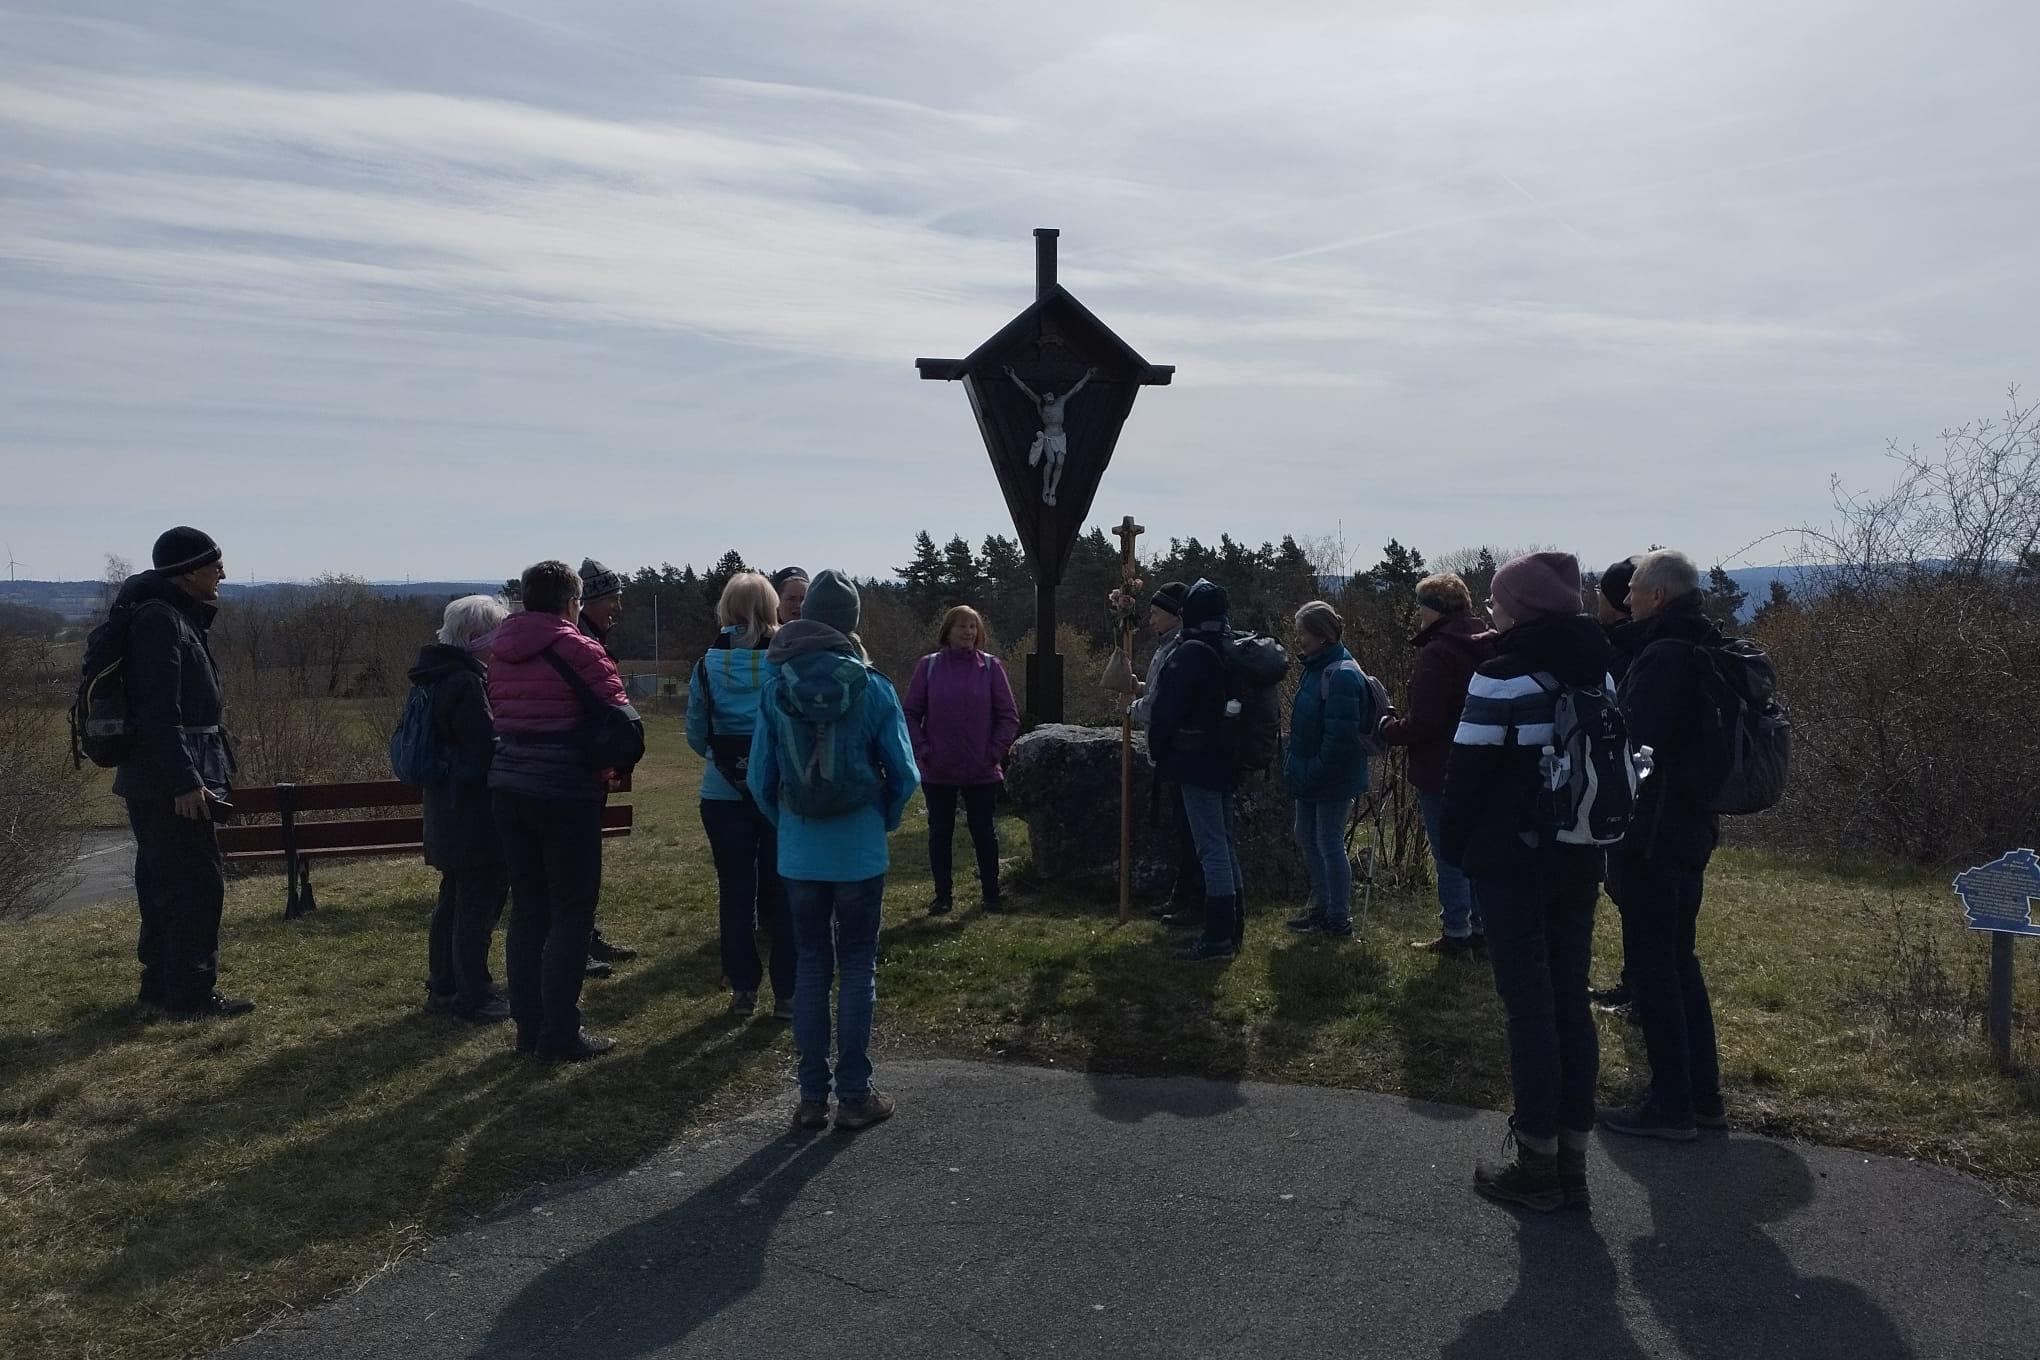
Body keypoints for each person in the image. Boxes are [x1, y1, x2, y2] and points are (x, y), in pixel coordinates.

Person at [1440, 551, 1614, 1211]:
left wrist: (1457, 850)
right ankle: (1573, 1162)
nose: (1492, 608)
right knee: (1570, 1000)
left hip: (1513, 861)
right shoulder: (1600, 669)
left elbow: (1467, 775)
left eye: (1498, 599)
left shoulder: (1502, 676)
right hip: (1581, 853)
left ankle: (1536, 1165)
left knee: (1529, 1009)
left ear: (1521, 607)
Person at [748, 571, 919, 1132]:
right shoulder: (873, 687)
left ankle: (810, 1098)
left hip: (800, 851)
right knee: (857, 964)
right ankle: (854, 1095)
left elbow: (759, 778)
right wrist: (882, 820)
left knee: (811, 966)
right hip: (859, 849)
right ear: (851, 623)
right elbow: (905, 774)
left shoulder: (776, 685)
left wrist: (789, 826)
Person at [489, 560, 642, 1061]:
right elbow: (622, 717)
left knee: (528, 909)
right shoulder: (580, 648)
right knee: (572, 911)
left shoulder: (500, 649)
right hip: (566, 789)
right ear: (571, 602)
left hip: (509, 785)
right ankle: (559, 1031)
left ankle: (529, 1028)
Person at [1600, 549, 1728, 1141]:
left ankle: (1671, 1105)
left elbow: (1632, 738)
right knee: (1680, 962)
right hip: (1691, 828)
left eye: (1633, 590)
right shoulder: (1704, 643)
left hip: (1653, 833)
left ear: (1656, 596)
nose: (1625, 599)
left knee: (1654, 970)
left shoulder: (1663, 656)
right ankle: (1704, 1098)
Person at [115, 527, 250, 1018]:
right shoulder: (160, 621)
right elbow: (159, 714)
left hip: (160, 776)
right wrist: (186, 782)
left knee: (164, 884)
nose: (222, 573)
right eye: (215, 565)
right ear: (189, 572)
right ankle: (189, 995)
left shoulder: (168, 616)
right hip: (170, 781)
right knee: (195, 884)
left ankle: (159, 990)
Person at [686, 571, 796, 1020]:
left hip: (721, 791)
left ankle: (743, 990)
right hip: (778, 789)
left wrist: (724, 760)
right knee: (784, 889)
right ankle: (788, 993)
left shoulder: (705, 664)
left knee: (735, 892)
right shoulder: (785, 663)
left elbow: (695, 732)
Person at [1377, 572, 1496, 957]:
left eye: (1421, 607)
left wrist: (1389, 728)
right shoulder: (1489, 642)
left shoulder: (1438, 652)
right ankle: (1480, 928)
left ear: (1434, 609)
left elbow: (1426, 722)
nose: (1418, 614)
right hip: (1483, 763)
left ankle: (1456, 932)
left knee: (1448, 854)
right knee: (1475, 850)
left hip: (1440, 766)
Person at [411, 594, 512, 1023]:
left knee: (453, 900)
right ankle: (474, 995)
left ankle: (444, 986)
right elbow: (486, 747)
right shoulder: (467, 683)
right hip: (473, 814)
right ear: (477, 638)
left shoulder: (432, 675)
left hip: (444, 808)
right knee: (477, 905)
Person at [1148, 579, 1246, 961]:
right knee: (1224, 842)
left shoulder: (1189, 653)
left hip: (1196, 760)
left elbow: (1166, 710)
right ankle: (1234, 928)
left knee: (1211, 847)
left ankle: (1218, 937)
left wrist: (1160, 750)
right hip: (1227, 757)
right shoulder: (1230, 648)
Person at [904, 605, 1020, 915]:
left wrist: (993, 753)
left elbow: (1008, 716)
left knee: (984, 832)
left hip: (981, 770)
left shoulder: (992, 667)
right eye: (961, 626)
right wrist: (924, 751)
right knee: (940, 833)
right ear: (948, 631)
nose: (968, 632)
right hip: (938, 769)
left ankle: (992, 895)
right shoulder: (928, 667)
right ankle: (942, 897)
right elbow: (910, 713)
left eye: (972, 626)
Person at [1282, 601, 1370, 939]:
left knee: (1328, 841)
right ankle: (1321, 907)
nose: (1298, 639)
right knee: (1306, 835)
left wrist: (1315, 768)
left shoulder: (1341, 675)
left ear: (1321, 635)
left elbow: (1340, 738)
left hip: (1332, 776)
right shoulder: (1316, 667)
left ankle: (1337, 917)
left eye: (1303, 633)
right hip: (1311, 771)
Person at [1119, 581, 1203, 923]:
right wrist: (1140, 688)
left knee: (1191, 831)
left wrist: (1131, 708)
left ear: (1175, 614)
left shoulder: (1177, 650)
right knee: (1183, 829)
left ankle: (1193, 901)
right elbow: (1157, 692)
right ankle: (1183, 896)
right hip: (1172, 751)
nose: (1151, 619)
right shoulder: (1167, 647)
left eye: (1156, 613)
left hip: (1180, 751)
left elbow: (1160, 706)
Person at [574, 557, 639, 974]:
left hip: (589, 769)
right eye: (612, 599)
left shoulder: (590, 637)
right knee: (577, 865)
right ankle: (576, 945)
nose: (617, 607)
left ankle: (586, 936)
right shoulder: (581, 643)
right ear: (589, 602)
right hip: (578, 771)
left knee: (585, 861)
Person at [1591, 555, 1644, 1012]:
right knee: (1627, 890)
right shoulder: (1636, 643)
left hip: (1635, 786)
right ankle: (1635, 981)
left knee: (1634, 891)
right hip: (1635, 784)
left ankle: (1643, 991)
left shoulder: (1622, 650)